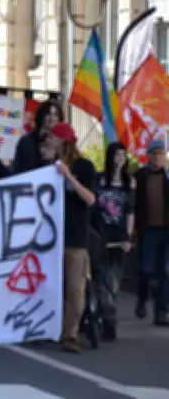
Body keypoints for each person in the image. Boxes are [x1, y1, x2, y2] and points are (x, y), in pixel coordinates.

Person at [46, 122, 96, 353]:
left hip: (75, 239)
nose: (49, 141)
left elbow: (90, 199)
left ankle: (71, 333)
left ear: (64, 142)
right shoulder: (47, 166)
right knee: (51, 288)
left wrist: (68, 177)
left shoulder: (84, 167)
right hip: (49, 240)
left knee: (75, 290)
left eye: (54, 138)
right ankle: (48, 329)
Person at [94, 141, 134, 337]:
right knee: (100, 277)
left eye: (123, 155)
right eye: (117, 155)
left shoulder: (128, 183)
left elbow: (130, 211)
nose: (121, 159)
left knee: (114, 278)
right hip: (102, 234)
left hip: (119, 236)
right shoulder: (100, 179)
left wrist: (128, 236)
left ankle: (109, 316)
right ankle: (100, 312)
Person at [134, 139, 169, 326]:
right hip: (148, 230)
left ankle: (161, 312)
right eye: (154, 153)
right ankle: (141, 300)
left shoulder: (167, 177)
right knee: (145, 269)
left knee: (166, 271)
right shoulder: (140, 176)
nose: (157, 157)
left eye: (161, 153)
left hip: (166, 230)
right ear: (148, 156)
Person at [13, 99, 63, 173]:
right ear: (41, 116)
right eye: (48, 114)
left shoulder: (62, 142)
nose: (52, 118)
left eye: (56, 114)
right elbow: (18, 170)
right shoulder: (26, 141)